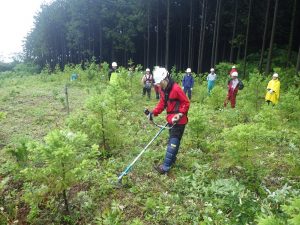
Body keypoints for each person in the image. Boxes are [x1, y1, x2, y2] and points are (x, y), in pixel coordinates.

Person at [146, 67, 190, 174]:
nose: (158, 85)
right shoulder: (163, 90)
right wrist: (153, 113)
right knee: (172, 139)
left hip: (179, 120)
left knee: (173, 141)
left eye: (159, 83)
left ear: (165, 79)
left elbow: (186, 103)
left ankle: (165, 167)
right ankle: (172, 160)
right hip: (170, 119)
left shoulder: (176, 88)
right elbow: (162, 103)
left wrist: (179, 114)